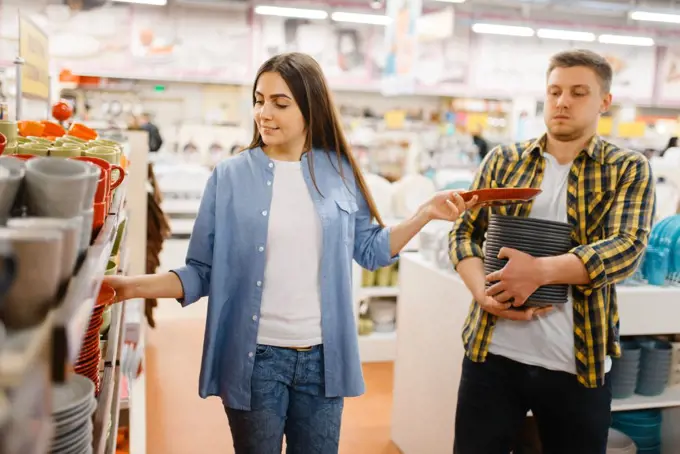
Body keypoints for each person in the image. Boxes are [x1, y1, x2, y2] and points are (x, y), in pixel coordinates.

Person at [105, 52, 477, 454]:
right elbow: (200, 270)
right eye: (259, 100)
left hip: (323, 361)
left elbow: (370, 250)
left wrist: (424, 214)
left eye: (280, 103)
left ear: (309, 107)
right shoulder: (229, 177)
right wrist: (129, 288)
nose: (264, 112)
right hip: (255, 360)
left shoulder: (339, 173)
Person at [450, 49, 655, 454]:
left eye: (579, 92)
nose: (563, 102)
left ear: (604, 102)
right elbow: (465, 234)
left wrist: (539, 272)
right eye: (555, 91)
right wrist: (481, 293)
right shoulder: (504, 160)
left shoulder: (627, 167)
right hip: (492, 354)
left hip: (576, 361)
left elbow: (627, 247)